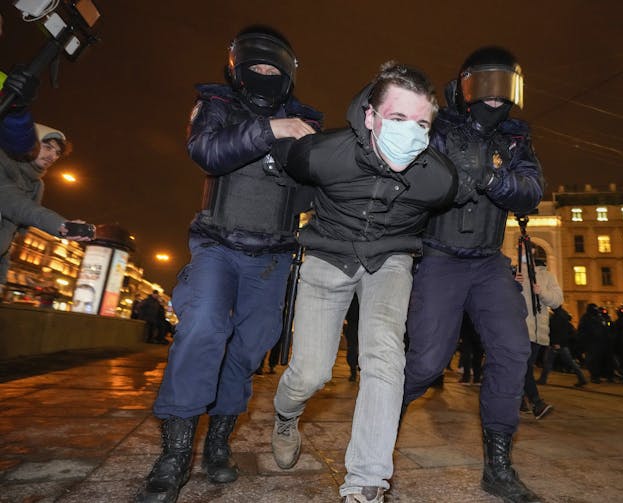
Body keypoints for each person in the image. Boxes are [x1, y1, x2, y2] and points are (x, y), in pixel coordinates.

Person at [136, 26, 321, 503]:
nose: (262, 76)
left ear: (287, 76)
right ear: (237, 71)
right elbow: (207, 153)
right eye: (254, 69)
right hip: (218, 245)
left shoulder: (305, 122)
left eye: (271, 71)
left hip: (274, 255)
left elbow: (314, 190)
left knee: (251, 346)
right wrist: (269, 131)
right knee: (202, 329)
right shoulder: (216, 107)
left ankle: (217, 441)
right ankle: (174, 456)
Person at [270, 62, 457, 503]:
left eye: (421, 124)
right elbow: (282, 173)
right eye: (397, 118)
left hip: (389, 259)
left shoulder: (438, 179)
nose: (410, 133)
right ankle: (284, 414)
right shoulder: (320, 153)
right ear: (371, 116)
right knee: (310, 372)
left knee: (384, 355)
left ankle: (367, 484)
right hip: (328, 254)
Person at [401, 46, 544, 502]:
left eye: (506, 86)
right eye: (487, 84)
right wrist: (449, 182)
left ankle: (498, 466)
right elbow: (409, 173)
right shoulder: (439, 126)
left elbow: (531, 190)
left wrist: (488, 178)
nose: (497, 97)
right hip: (440, 256)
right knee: (425, 362)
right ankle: (379, 428)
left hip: (486, 261)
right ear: (466, 84)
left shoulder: (516, 139)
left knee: (512, 350)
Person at [1, 123, 93, 295]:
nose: (52, 156)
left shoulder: (36, 184)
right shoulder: (3, 164)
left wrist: (1, 279)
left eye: (57, 153)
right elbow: (15, 204)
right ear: (27, 142)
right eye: (47, 147)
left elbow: (8, 236)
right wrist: (61, 225)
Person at [517, 256, 566, 417]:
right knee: (525, 367)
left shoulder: (548, 276)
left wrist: (541, 292)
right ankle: (536, 402)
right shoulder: (519, 272)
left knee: (523, 368)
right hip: (522, 328)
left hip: (539, 333)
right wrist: (513, 283)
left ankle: (519, 399)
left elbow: (558, 301)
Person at [539, 305, 587, 387]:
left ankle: (543, 379)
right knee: (569, 362)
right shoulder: (563, 315)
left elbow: (557, 331)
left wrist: (556, 343)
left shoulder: (557, 317)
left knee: (548, 362)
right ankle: (581, 378)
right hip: (561, 343)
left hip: (556, 343)